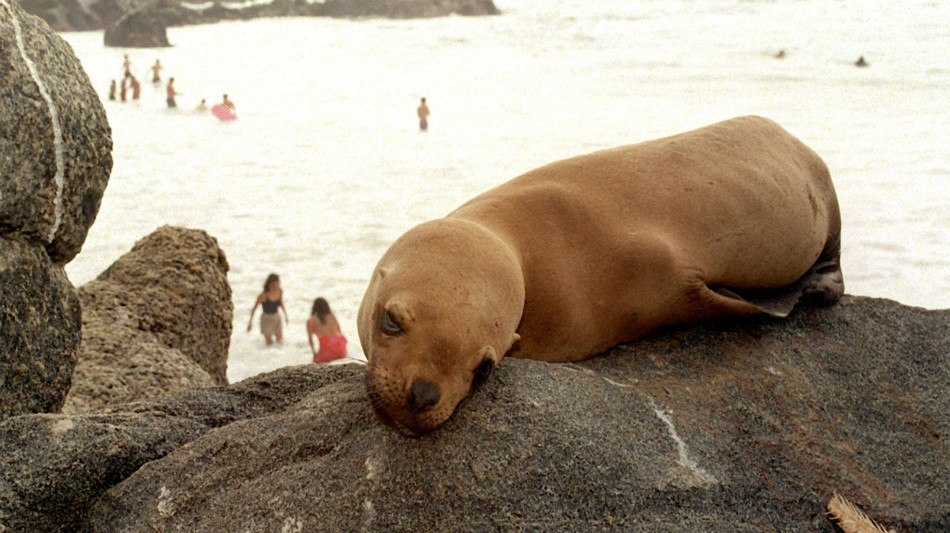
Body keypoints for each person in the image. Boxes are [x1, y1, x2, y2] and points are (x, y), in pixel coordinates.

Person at [248, 273, 288, 345]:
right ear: (269, 284)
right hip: (266, 319)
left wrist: (286, 316)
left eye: (277, 284)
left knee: (280, 341)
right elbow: (254, 308)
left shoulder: (280, 292)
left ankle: (279, 355)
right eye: (274, 284)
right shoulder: (263, 295)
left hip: (276, 317)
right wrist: (250, 322)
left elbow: (281, 303)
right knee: (269, 343)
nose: (276, 286)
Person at [307, 297, 347, 363]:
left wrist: (314, 353)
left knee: (316, 364)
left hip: (327, 348)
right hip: (340, 345)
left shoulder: (311, 320)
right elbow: (340, 332)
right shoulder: (332, 316)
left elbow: (311, 340)